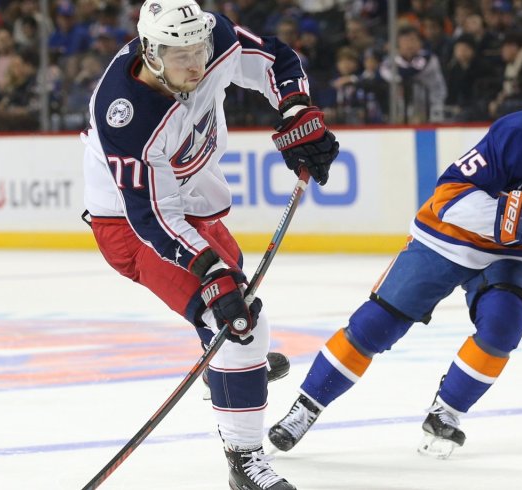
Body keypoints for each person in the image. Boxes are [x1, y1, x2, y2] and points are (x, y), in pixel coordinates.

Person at [268, 69, 522, 460]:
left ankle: (446, 412)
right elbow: (447, 195)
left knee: (503, 327)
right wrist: (501, 216)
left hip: (511, 254)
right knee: (374, 326)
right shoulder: (510, 135)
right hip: (446, 237)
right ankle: (305, 407)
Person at [80, 0, 339, 488]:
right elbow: (151, 216)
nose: (196, 62)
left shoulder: (211, 38)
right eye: (181, 55)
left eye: (199, 47)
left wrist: (296, 107)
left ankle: (225, 372)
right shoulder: (125, 114)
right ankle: (244, 461)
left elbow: (274, 60)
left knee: (233, 307)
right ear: (150, 52)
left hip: (195, 201)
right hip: (133, 227)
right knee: (239, 325)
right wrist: (209, 270)